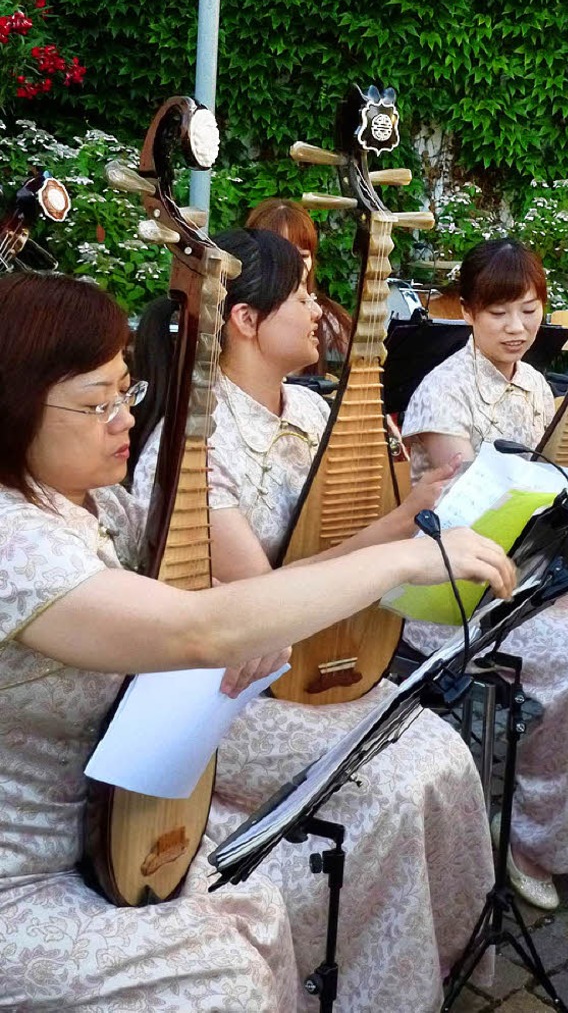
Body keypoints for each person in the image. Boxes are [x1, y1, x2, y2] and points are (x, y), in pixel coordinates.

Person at [0, 270, 514, 1011]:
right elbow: (198, 626)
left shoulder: (91, 500)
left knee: (260, 911)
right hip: (31, 867)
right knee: (222, 980)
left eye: (126, 393)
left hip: (112, 817)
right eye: (95, 403)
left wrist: (222, 646)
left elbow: (197, 611)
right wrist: (404, 553)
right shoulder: (16, 539)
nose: (123, 419)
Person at [401, 238, 568, 910]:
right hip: (457, 589)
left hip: (523, 572)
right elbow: (465, 512)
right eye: (499, 312)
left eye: (529, 310)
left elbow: (555, 488)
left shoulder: (535, 384)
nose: (517, 327)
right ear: (469, 312)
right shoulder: (441, 394)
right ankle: (524, 837)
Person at [246, 198, 352, 376]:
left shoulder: (326, 317)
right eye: (282, 254)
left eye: (302, 256)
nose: (295, 266)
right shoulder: (240, 314)